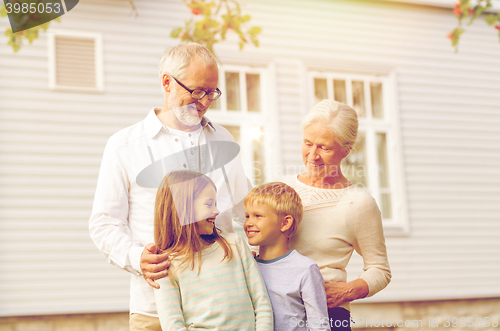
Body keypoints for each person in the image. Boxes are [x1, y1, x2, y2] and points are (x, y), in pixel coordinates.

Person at [89, 42, 251, 331]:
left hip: (224, 308)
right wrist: (137, 258)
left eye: (212, 92)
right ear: (167, 82)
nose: (205, 101)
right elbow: (104, 223)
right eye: (197, 91)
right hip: (156, 309)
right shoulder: (124, 145)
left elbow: (248, 209)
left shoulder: (223, 140)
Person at [280, 99, 391, 331]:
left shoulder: (358, 203)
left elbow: (380, 269)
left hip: (329, 314)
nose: (312, 155)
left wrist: (349, 289)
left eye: (324, 147)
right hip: (279, 308)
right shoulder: (281, 189)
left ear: (346, 150)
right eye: (308, 143)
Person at [154, 170, 273, 331]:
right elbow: (173, 325)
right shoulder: (166, 266)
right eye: (209, 204)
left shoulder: (235, 245)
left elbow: (261, 301)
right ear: (184, 208)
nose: (216, 211)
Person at [244, 182, 330, 331]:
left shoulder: (305, 269)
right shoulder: (246, 266)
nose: (248, 223)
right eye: (247, 216)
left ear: (285, 223)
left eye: (258, 216)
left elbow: (319, 326)